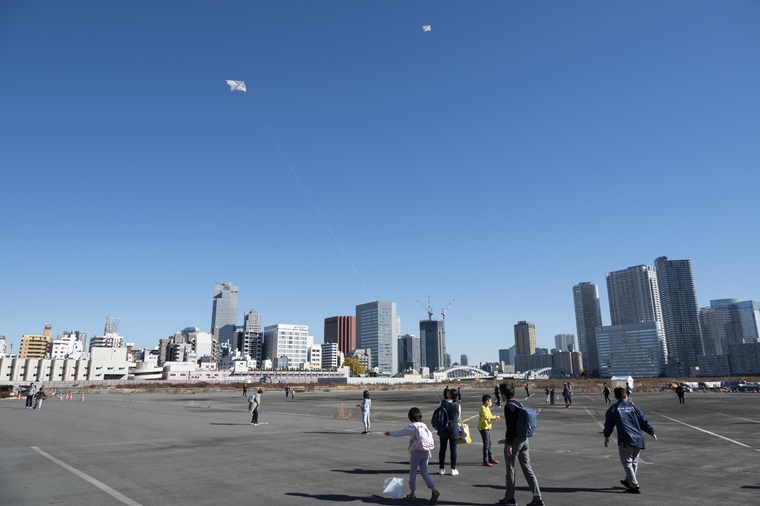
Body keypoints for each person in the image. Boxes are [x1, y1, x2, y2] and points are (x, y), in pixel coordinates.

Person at [604, 387, 657, 494]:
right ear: (626, 396)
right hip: (638, 438)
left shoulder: (614, 409)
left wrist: (606, 436)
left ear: (615, 397)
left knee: (627, 462)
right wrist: (652, 432)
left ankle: (634, 485)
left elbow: (609, 424)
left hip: (626, 439)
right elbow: (643, 421)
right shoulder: (634, 407)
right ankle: (628, 480)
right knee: (634, 461)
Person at [498, 383, 544, 506]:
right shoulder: (519, 404)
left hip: (515, 441)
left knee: (511, 469)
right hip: (525, 439)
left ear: (503, 394)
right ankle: (537, 497)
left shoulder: (508, 407)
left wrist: (508, 444)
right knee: (527, 468)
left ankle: (510, 498)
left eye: (500, 393)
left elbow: (510, 428)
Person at [384, 407, 441, 502]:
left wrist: (390, 433)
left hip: (416, 451)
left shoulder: (412, 426)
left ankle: (412, 494)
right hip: (426, 451)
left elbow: (400, 432)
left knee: (413, 472)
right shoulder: (424, 425)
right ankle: (434, 490)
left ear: (411, 418)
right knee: (424, 473)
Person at [437, 388, 461, 476]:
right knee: (453, 449)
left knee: (442, 448)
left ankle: (441, 468)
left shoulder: (442, 402)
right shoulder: (457, 405)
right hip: (453, 428)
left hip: (443, 428)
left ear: (450, 394)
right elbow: (459, 418)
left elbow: (438, 414)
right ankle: (453, 469)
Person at [478, 394, 501, 467]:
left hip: (487, 427)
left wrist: (494, 418)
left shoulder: (487, 408)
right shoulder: (482, 408)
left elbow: (490, 417)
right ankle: (485, 461)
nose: (491, 402)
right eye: (490, 401)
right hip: (483, 428)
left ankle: (490, 458)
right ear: (486, 401)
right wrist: (495, 417)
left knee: (489, 443)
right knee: (486, 444)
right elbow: (487, 417)